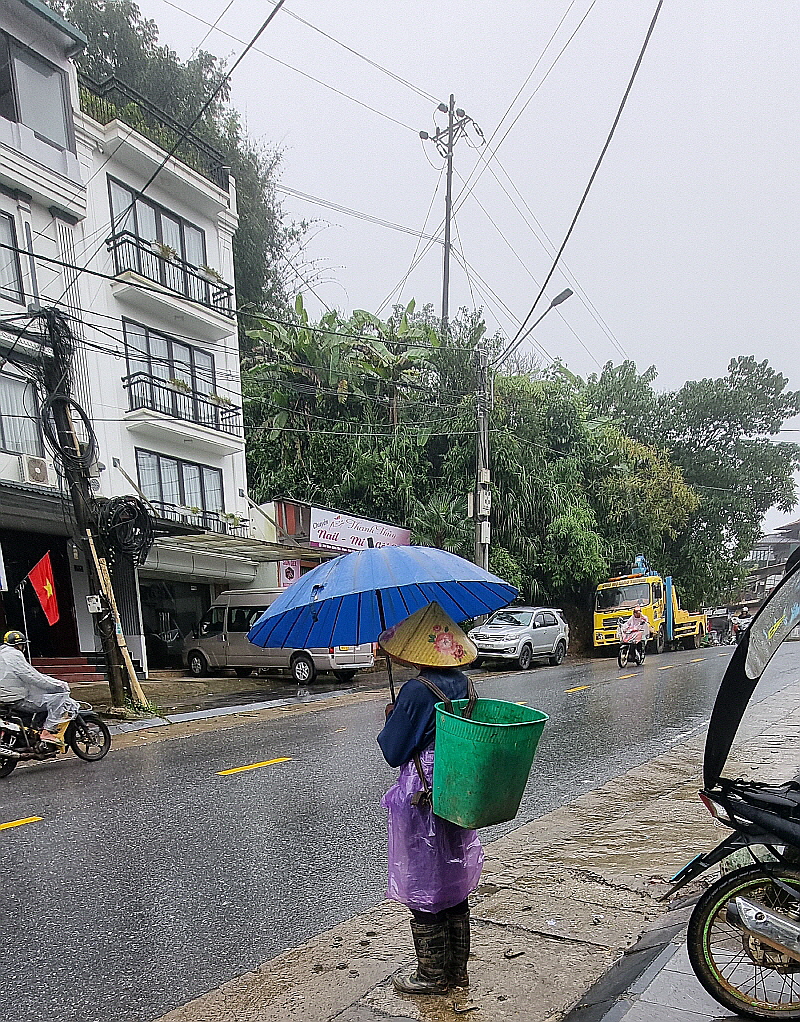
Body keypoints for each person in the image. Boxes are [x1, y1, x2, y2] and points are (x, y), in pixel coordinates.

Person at [377, 602, 484, 996]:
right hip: (459, 786)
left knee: (425, 879)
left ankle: (432, 974)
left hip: (423, 793)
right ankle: (457, 971)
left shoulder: (417, 691)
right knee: (454, 879)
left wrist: (393, 717)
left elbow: (394, 751)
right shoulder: (466, 685)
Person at [0, 630, 79, 746]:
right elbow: (32, 677)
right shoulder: (14, 655)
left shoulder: (2, 654)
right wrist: (57, 685)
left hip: (4, 699)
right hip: (16, 699)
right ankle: (47, 732)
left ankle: (35, 728)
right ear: (19, 645)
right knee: (58, 699)